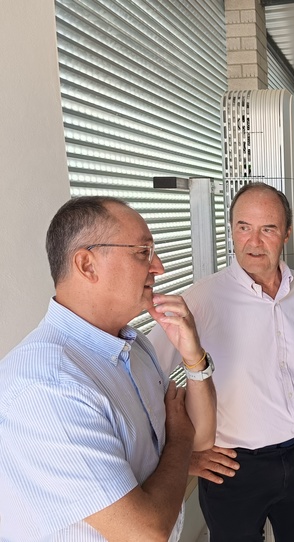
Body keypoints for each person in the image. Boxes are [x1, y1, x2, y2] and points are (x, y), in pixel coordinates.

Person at [0, 196, 216, 541]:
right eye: (142, 252)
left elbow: (202, 438)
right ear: (87, 264)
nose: (158, 266)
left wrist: (193, 358)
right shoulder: (47, 385)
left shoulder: (132, 346)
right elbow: (146, 533)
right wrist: (180, 440)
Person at [149, 181, 294, 542]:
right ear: (232, 231)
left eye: (267, 228)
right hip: (232, 468)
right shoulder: (202, 299)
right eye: (243, 227)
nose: (254, 242)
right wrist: (181, 455)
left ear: (286, 233)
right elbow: (145, 378)